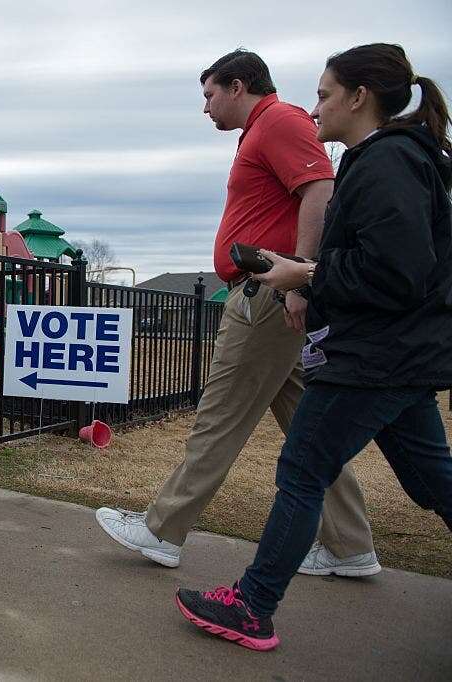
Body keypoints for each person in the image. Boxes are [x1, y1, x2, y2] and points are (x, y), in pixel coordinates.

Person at [176, 42, 452, 652]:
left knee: (302, 471)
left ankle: (252, 605)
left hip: (375, 357)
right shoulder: (383, 159)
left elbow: (399, 271)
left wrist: (306, 275)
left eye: (325, 94)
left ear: (360, 97)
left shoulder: (387, 164)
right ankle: (289, 582)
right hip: (397, 357)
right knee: (434, 481)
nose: (316, 106)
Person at [95, 49, 378, 575]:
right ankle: (350, 546)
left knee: (219, 417)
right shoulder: (265, 128)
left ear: (237, 86)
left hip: (268, 295)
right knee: (311, 430)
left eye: (209, 95)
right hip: (274, 296)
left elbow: (320, 188)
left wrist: (301, 277)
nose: (205, 108)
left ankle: (162, 531)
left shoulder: (278, 121)